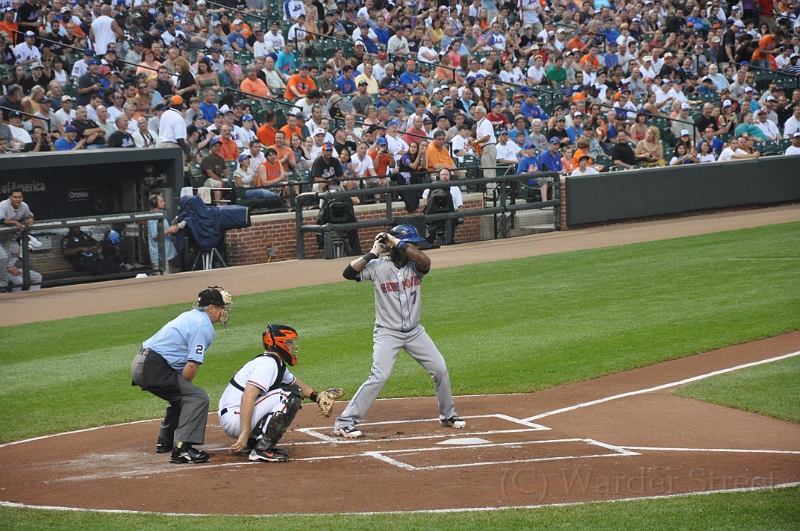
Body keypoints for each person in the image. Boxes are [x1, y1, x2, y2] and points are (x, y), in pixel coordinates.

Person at [334, 225, 466, 438]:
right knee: (380, 376)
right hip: (388, 333)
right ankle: (345, 422)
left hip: (415, 332)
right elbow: (348, 273)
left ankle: (447, 414)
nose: (416, 247)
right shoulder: (377, 267)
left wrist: (397, 243)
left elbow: (426, 261)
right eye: (412, 243)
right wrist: (373, 252)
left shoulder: (417, 266)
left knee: (440, 369)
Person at [131, 287, 233, 464]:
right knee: (197, 397)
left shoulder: (191, 316)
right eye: (221, 306)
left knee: (183, 395)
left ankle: (165, 441)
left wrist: (182, 389)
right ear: (211, 308)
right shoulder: (203, 326)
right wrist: (185, 387)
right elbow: (192, 364)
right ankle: (182, 448)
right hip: (152, 366)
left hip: (143, 363)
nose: (224, 311)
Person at [218, 324, 344, 462]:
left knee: (291, 390)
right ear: (278, 343)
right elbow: (248, 396)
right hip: (235, 418)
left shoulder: (274, 363)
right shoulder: (268, 365)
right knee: (290, 395)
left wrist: (317, 397)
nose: (292, 346)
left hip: (234, 416)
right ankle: (262, 448)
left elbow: (294, 382)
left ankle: (253, 443)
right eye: (289, 342)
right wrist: (245, 432)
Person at [0, 189, 35, 290]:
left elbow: (30, 215)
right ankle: (2, 283)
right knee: (2, 257)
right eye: (15, 197)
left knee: (4, 258)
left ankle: (3, 285)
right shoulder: (3, 205)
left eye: (19, 197)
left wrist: (30, 219)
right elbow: (0, 220)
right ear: (10, 197)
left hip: (7, 239)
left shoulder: (24, 206)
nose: (17, 199)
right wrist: (15, 223)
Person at [147, 194, 179, 273]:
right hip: (160, 258)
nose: (164, 203)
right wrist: (169, 230)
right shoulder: (153, 217)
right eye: (161, 201)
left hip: (167, 255)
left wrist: (171, 228)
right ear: (155, 203)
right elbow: (155, 235)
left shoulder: (161, 214)